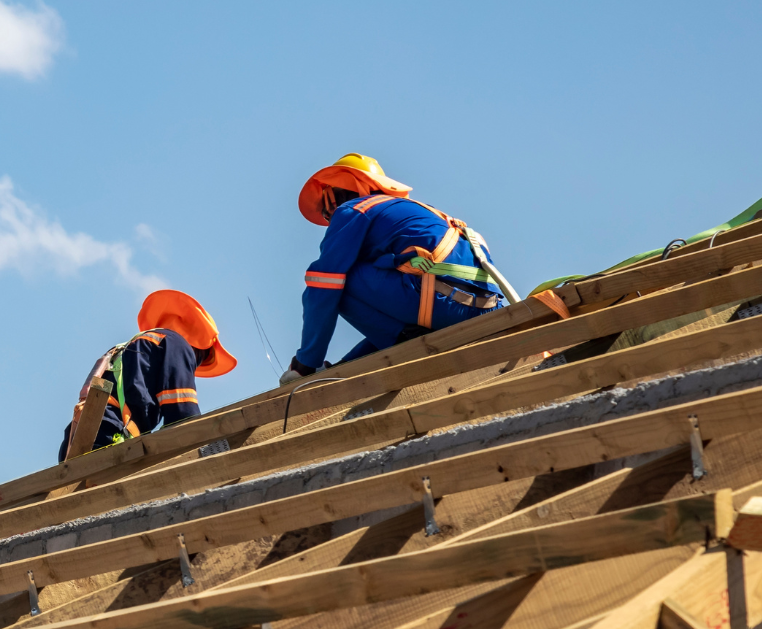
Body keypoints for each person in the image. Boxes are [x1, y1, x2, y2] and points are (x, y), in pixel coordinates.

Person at [281, 154, 508, 384]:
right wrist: (341, 368)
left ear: (336, 191)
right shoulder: (414, 213)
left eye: (326, 208)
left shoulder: (354, 209)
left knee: (335, 279)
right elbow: (397, 329)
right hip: (482, 309)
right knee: (361, 278)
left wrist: (306, 364)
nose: (328, 217)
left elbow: (323, 286)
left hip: (441, 305)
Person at [60, 289, 237, 460]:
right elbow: (183, 417)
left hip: (74, 443)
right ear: (198, 345)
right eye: (199, 359)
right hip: (111, 439)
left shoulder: (127, 347)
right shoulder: (177, 345)